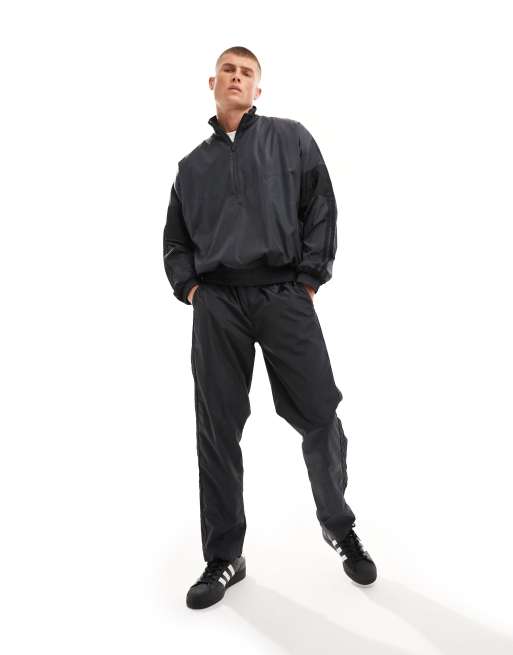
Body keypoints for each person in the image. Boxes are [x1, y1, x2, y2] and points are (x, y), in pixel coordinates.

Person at [163, 46, 377, 610]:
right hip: (218, 304)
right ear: (213, 83)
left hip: (283, 293)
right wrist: (193, 290)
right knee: (217, 427)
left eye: (247, 73)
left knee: (320, 412)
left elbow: (320, 206)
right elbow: (176, 241)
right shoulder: (190, 167)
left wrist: (308, 280)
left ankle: (339, 525)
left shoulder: (291, 139)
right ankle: (224, 557)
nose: (236, 78)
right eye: (228, 71)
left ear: (258, 88)